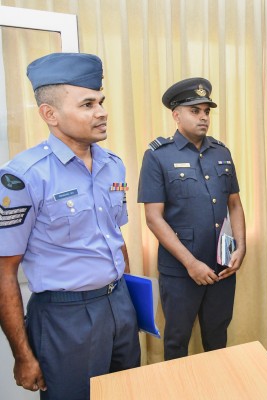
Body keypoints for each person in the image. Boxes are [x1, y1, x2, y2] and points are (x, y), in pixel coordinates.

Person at [0, 53, 141, 400]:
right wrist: (22, 355)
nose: (102, 112)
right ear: (50, 114)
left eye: (101, 102)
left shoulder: (113, 165)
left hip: (118, 304)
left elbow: (115, 236)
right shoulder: (24, 176)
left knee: (127, 392)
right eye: (88, 104)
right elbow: (4, 271)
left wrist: (128, 300)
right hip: (65, 317)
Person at [138, 77, 246, 360]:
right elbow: (153, 218)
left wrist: (241, 246)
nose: (203, 117)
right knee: (177, 340)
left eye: (206, 111)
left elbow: (234, 204)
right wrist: (191, 264)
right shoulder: (158, 156)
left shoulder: (221, 152)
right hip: (180, 270)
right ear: (176, 115)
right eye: (195, 110)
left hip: (221, 265)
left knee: (217, 337)